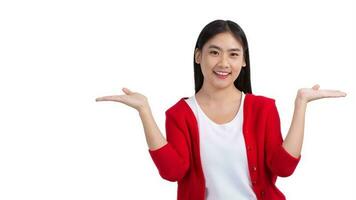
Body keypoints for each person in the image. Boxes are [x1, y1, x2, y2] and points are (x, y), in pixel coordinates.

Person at [95, 19, 347, 200]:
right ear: (198, 56)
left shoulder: (263, 108)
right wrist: (144, 111)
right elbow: (173, 172)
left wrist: (301, 104)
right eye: (214, 52)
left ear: (244, 61)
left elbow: (283, 168)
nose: (224, 63)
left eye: (234, 55)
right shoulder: (180, 114)